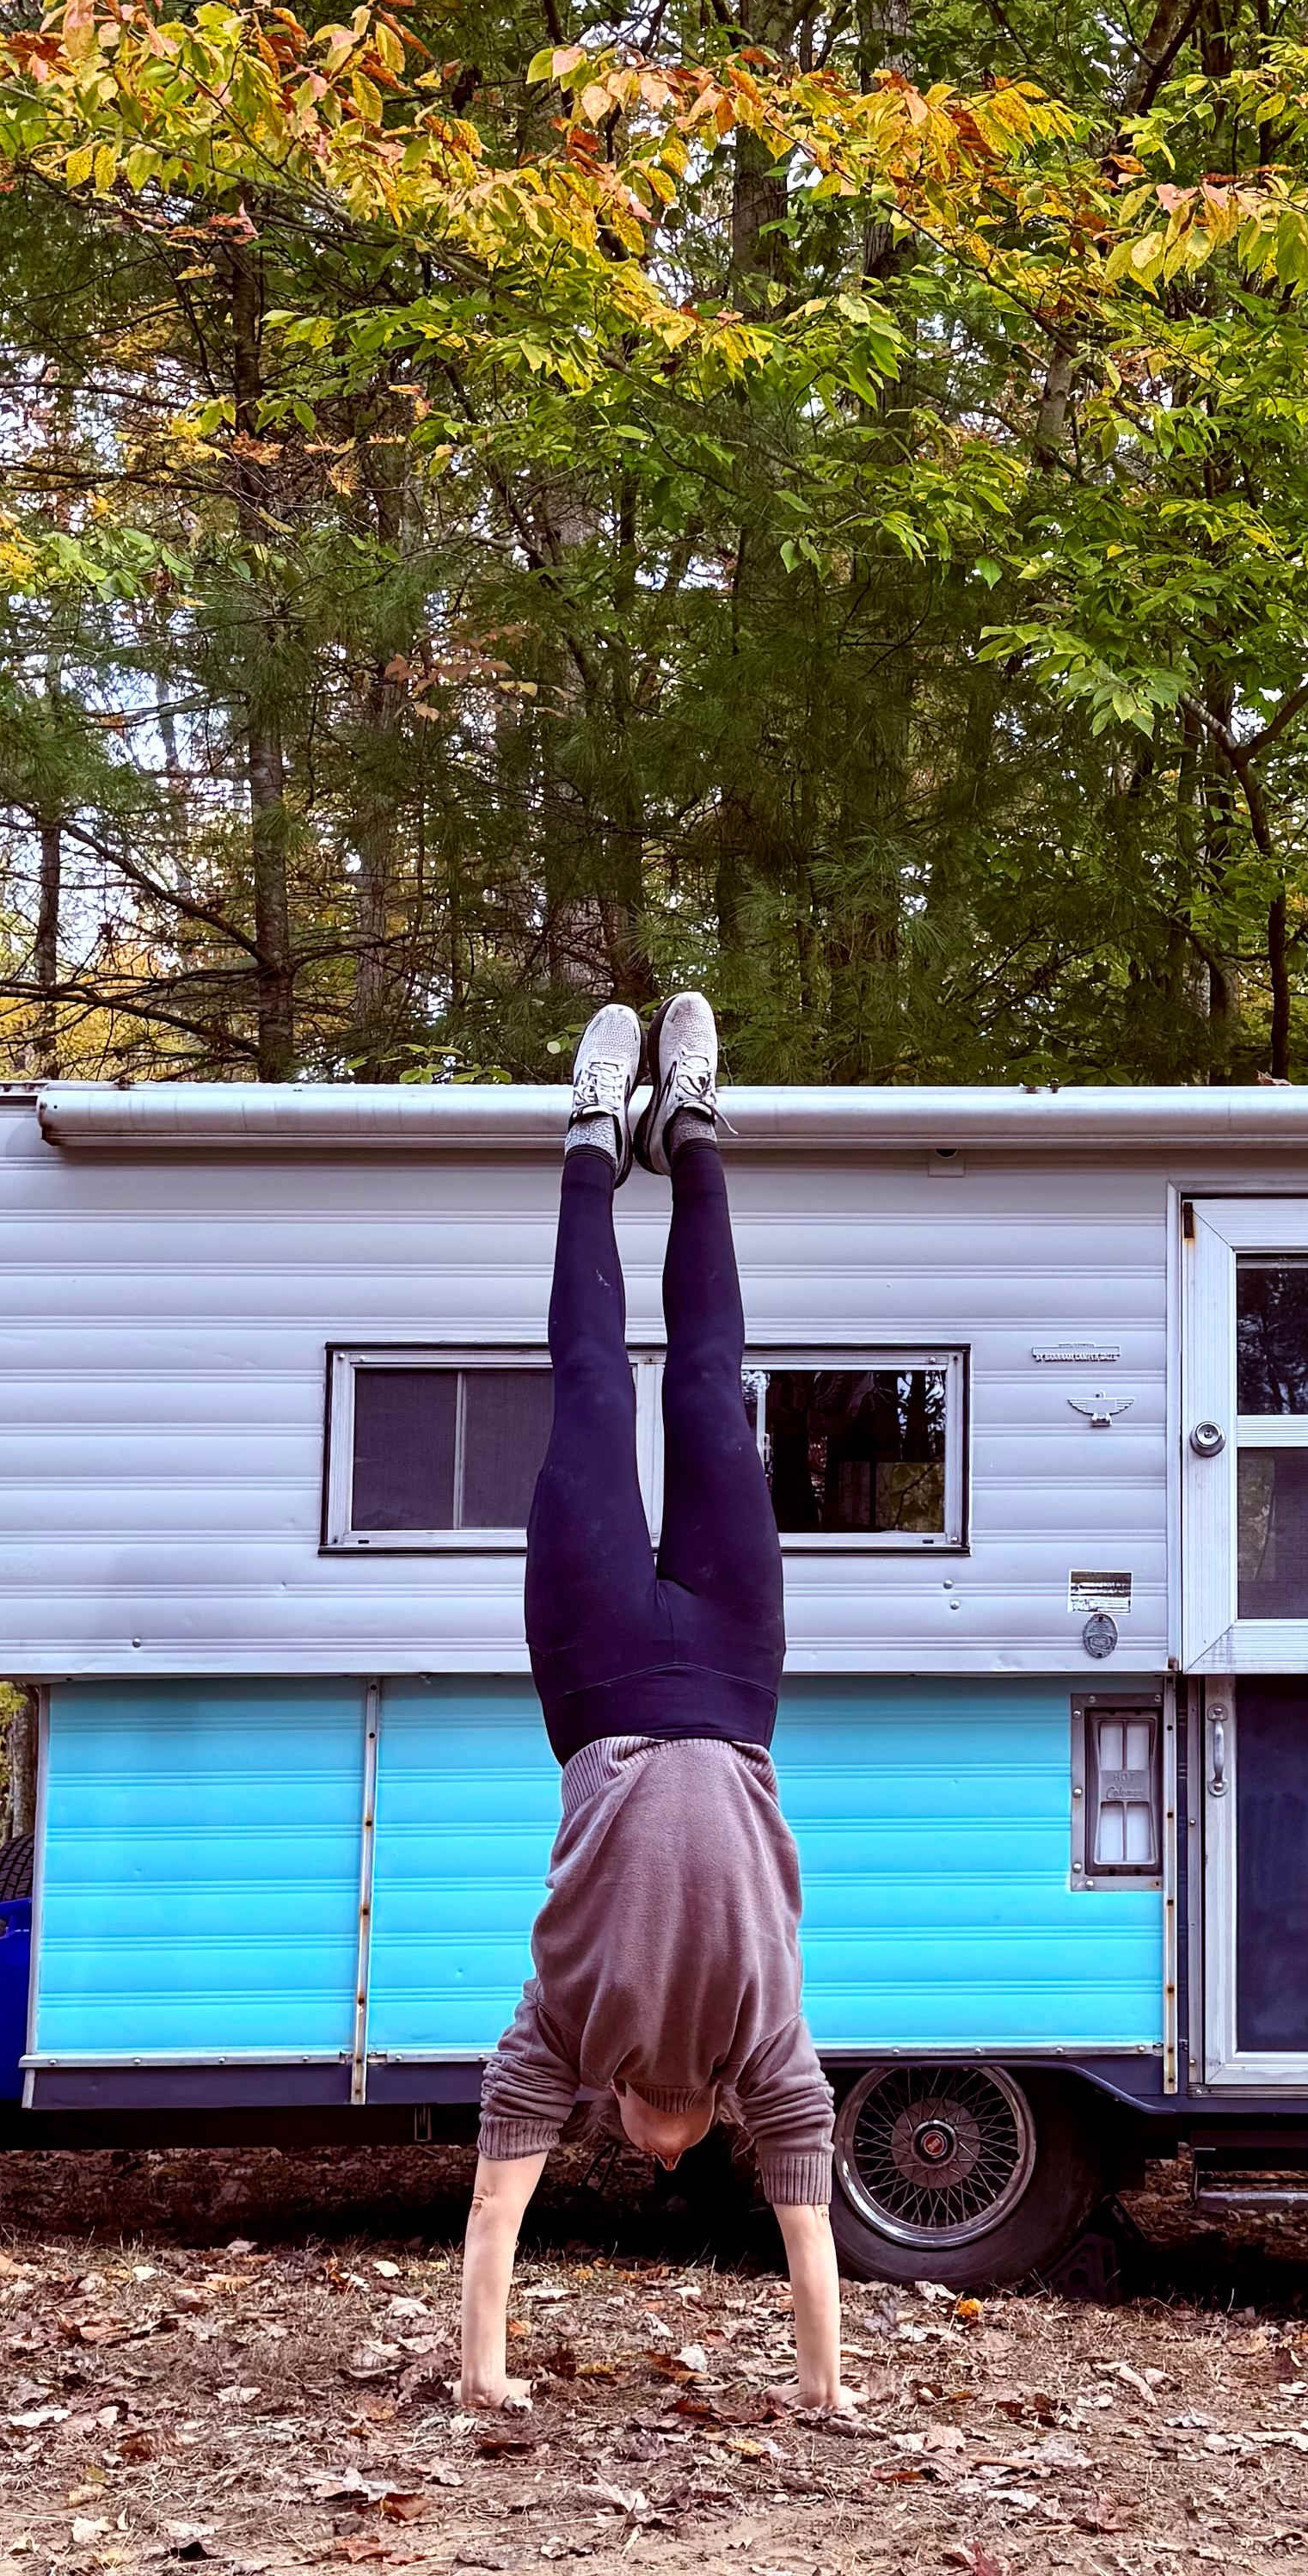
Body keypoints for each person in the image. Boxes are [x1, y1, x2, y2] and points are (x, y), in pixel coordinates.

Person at [455, 993, 851, 2415]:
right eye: (642, 2142)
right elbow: (493, 2213)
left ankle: (667, 1134)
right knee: (617, 1392)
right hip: (633, 1678)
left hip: (717, 1678)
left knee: (689, 1388)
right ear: (635, 2113)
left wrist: (825, 2385)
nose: (644, 2135)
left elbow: (806, 2236)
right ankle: (621, 1133)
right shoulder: (617, 2042)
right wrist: (481, 2375)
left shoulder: (732, 2044)